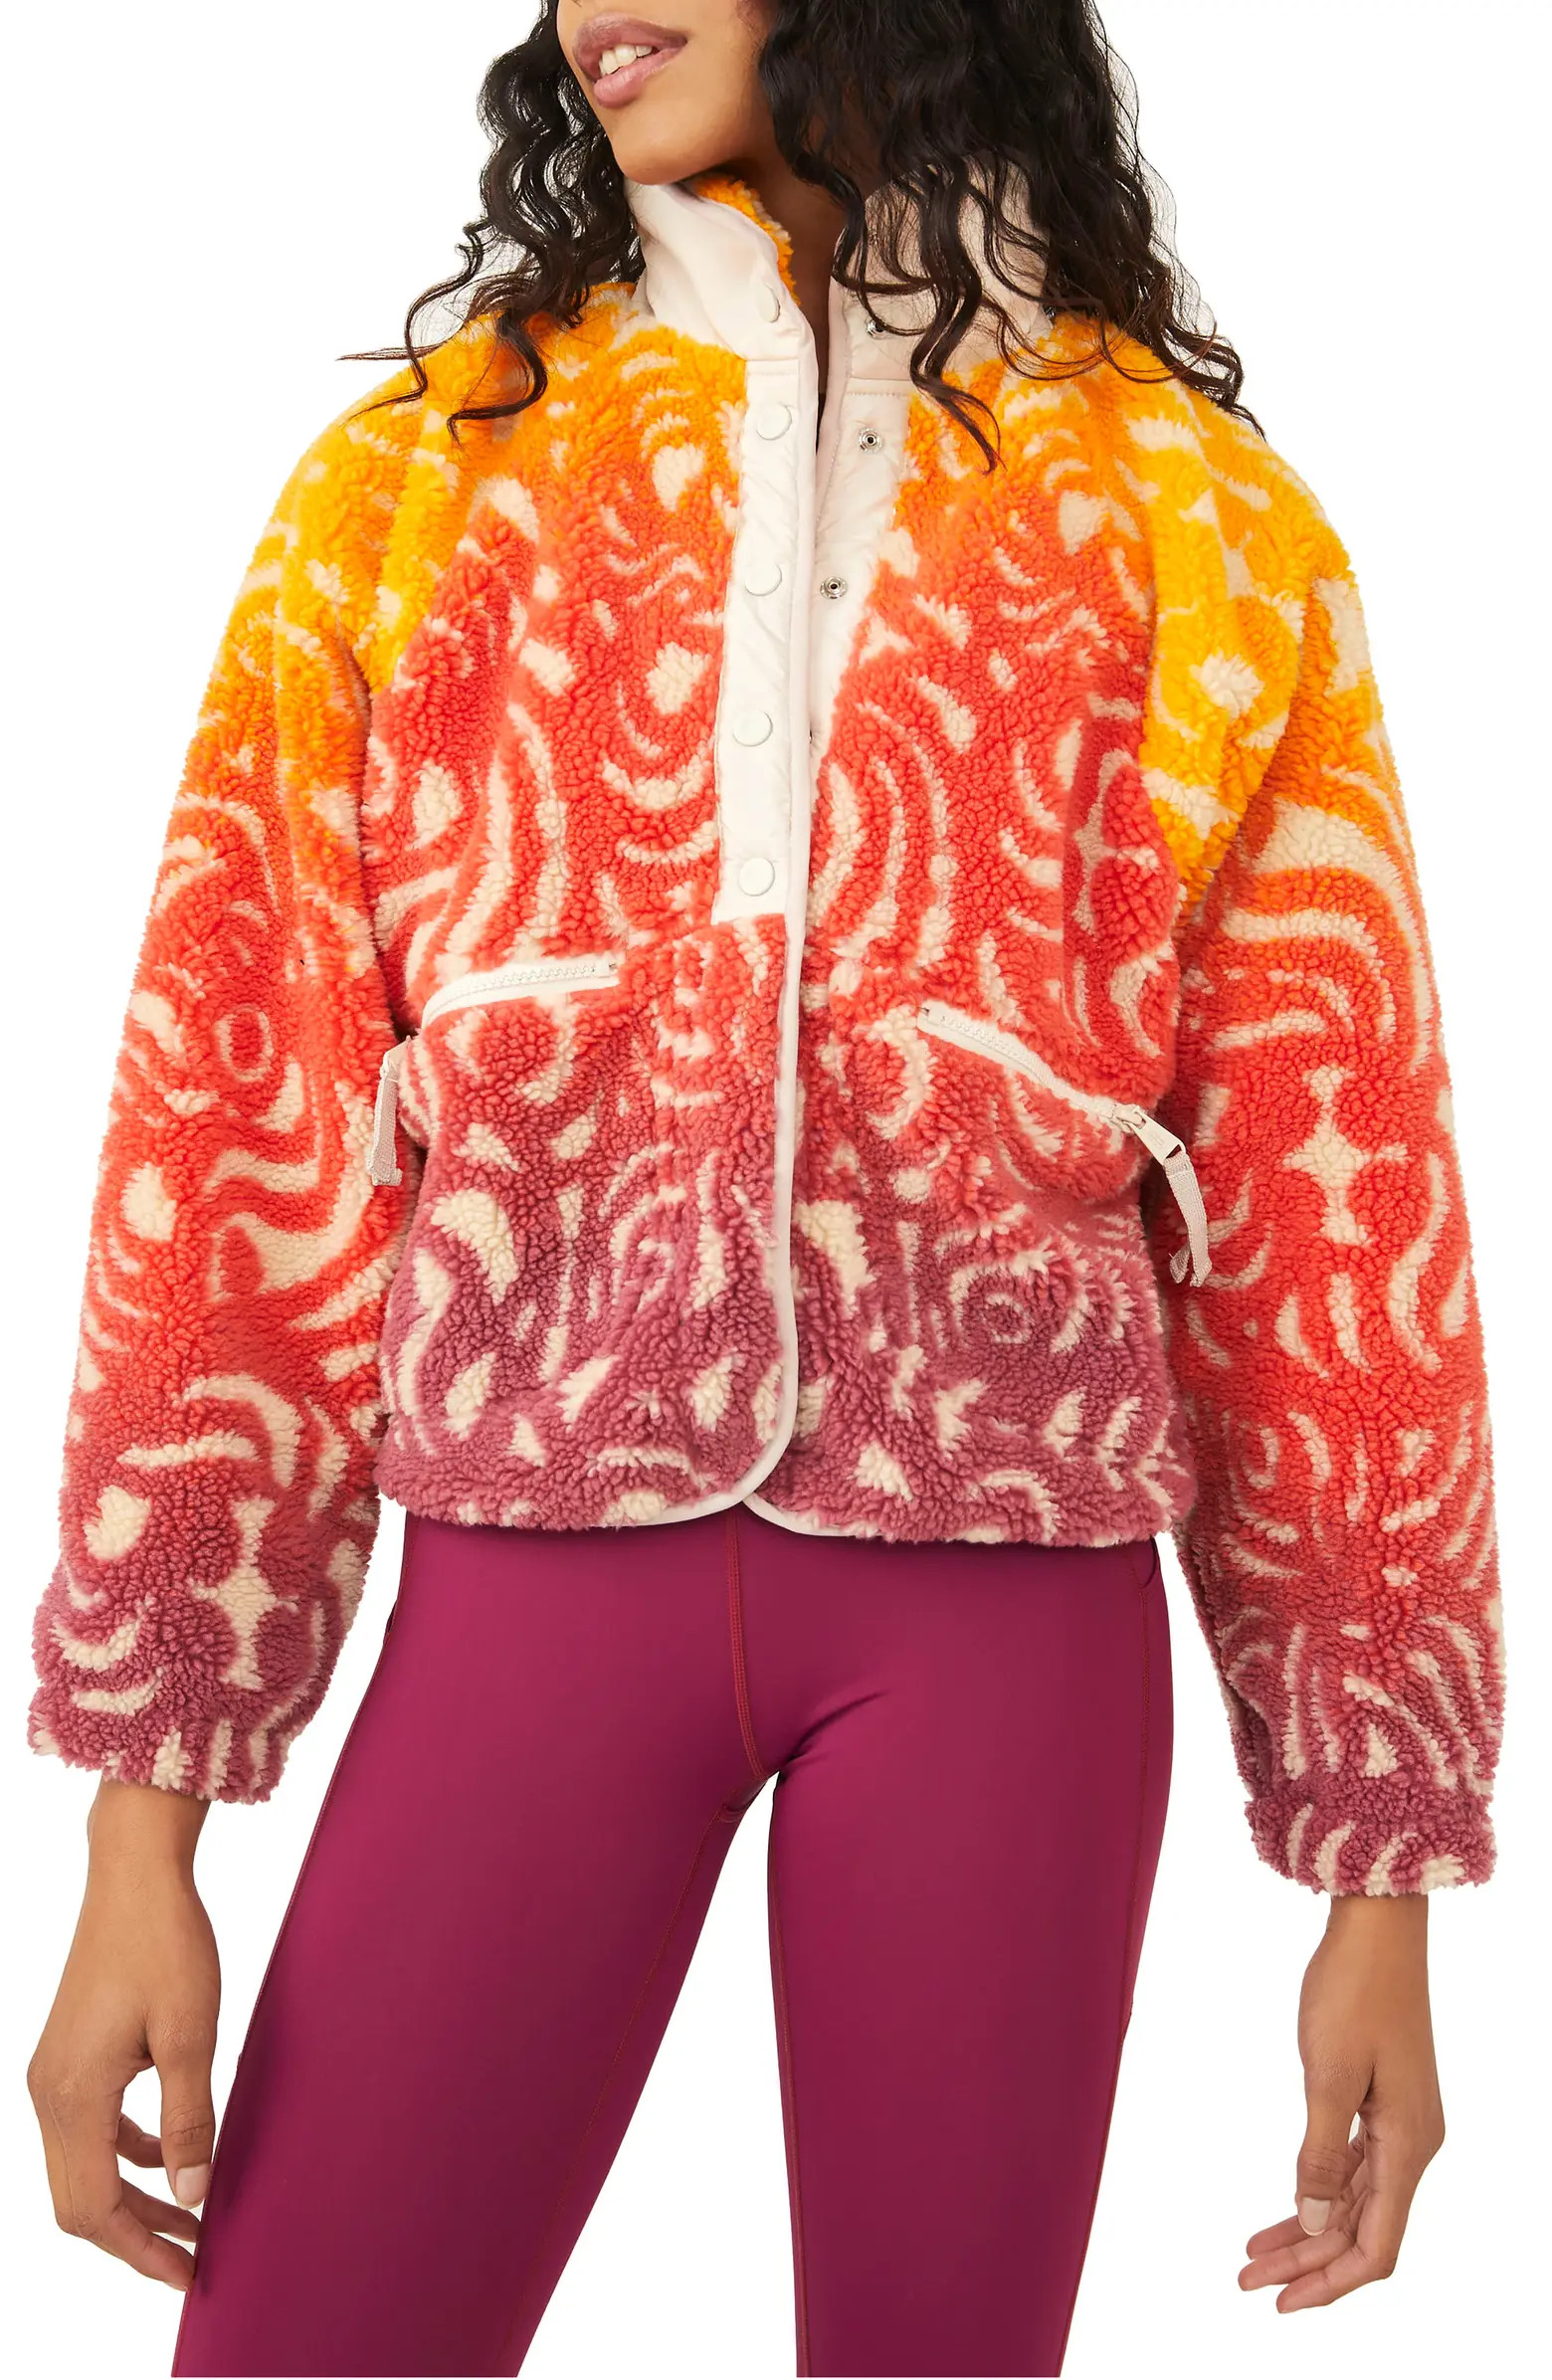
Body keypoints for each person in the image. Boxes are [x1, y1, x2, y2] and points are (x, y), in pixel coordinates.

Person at [24, 4, 1504, 2375]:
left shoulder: (1198, 518)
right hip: (528, 1580)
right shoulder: (417, 488)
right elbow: (230, 1133)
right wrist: (139, 1832)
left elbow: (1341, 1195)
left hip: (1007, 1609)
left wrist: (1382, 1870)